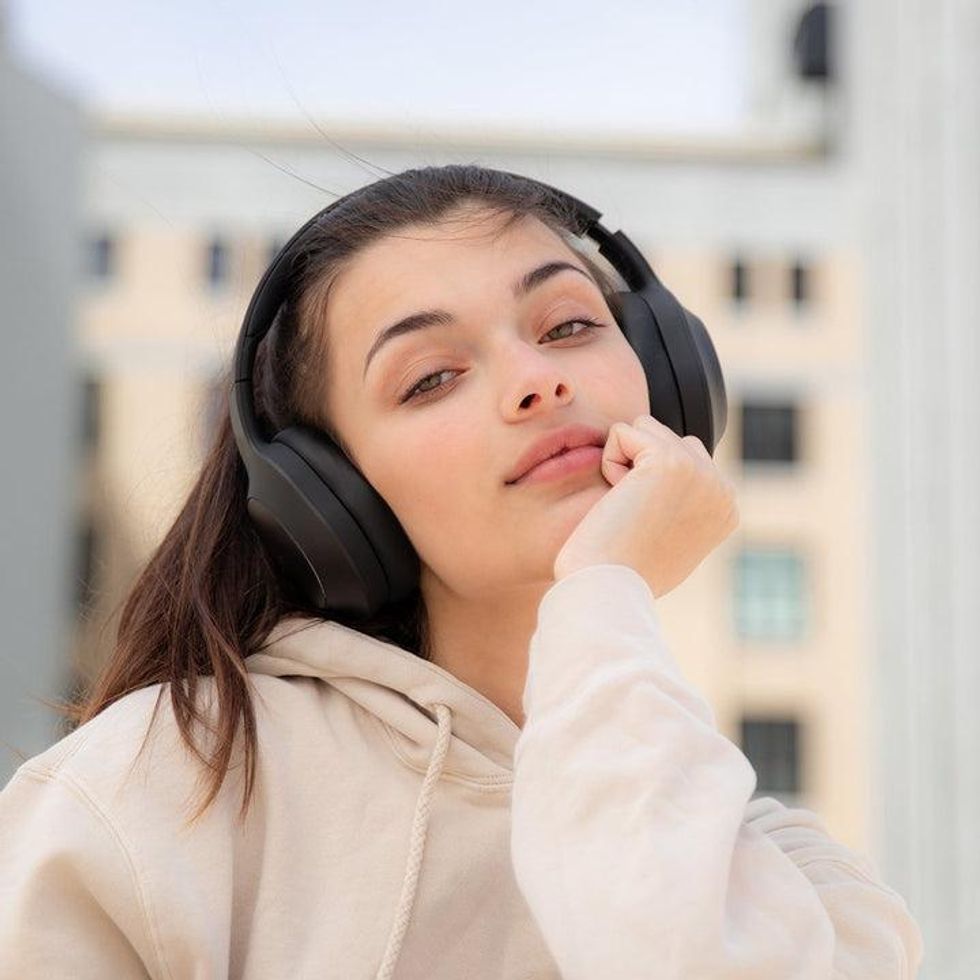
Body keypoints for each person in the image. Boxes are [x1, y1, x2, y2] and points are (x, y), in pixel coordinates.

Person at [0, 165, 923, 979]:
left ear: (668, 377)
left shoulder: (797, 883)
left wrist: (604, 597)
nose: (537, 380)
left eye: (567, 325)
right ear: (330, 495)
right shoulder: (155, 792)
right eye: (430, 377)